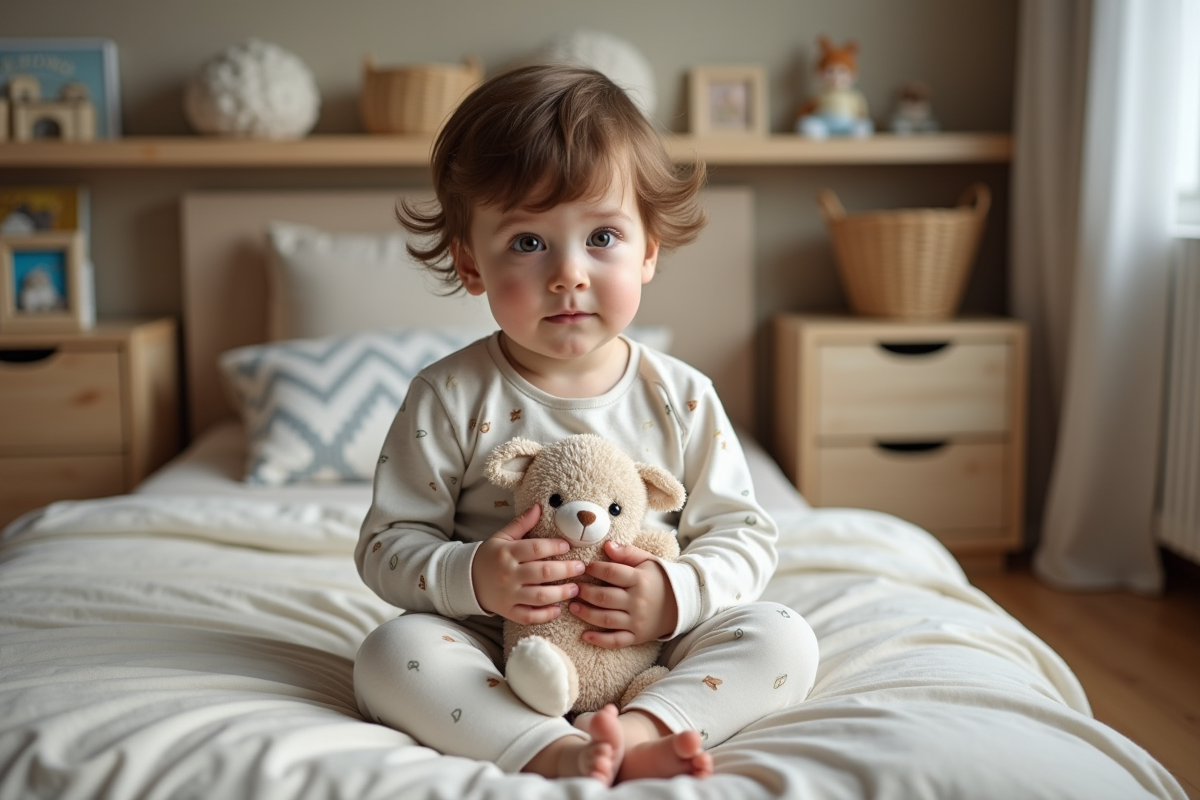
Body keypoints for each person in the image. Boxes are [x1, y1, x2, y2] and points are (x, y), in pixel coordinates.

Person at [353, 63, 819, 786]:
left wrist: (674, 595)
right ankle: (551, 748)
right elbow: (386, 545)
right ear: (471, 263)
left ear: (649, 250)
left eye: (602, 235)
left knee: (783, 638)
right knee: (391, 655)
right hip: (494, 653)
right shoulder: (447, 395)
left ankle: (639, 729)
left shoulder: (682, 395)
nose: (569, 273)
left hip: (650, 649)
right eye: (528, 242)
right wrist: (474, 578)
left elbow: (745, 535)